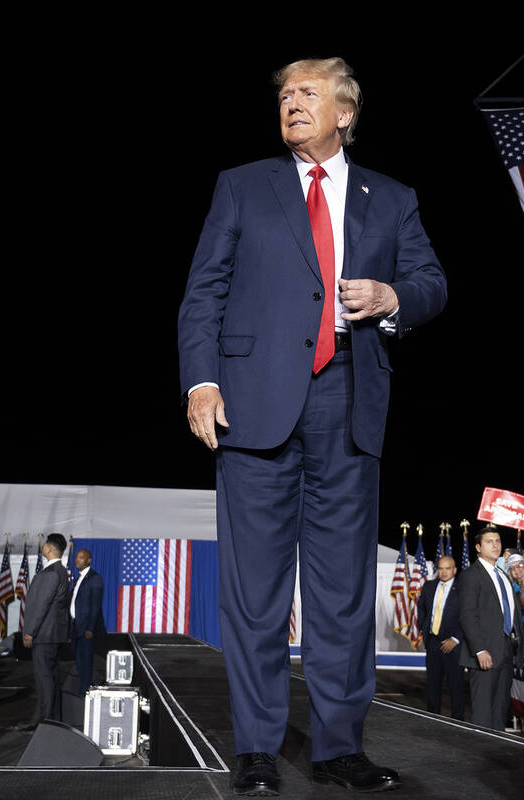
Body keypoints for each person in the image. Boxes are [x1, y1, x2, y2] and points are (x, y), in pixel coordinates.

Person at [177, 55, 446, 798]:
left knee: (342, 596)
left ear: (347, 112)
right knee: (256, 594)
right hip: (254, 408)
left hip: (350, 409)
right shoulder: (243, 186)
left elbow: (432, 284)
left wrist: (394, 294)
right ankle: (259, 750)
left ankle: (336, 749)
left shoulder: (391, 199)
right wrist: (201, 382)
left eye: (308, 93)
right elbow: (203, 293)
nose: (292, 103)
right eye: (285, 94)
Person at [459, 526, 524, 731]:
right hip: (484, 654)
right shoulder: (471, 575)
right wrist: (479, 649)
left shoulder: (503, 576)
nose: (495, 545)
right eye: (489, 541)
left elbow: (514, 614)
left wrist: (522, 647)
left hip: (506, 651)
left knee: (500, 709)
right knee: (483, 711)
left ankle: (496, 754)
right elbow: (467, 616)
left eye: (497, 541)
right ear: (478, 547)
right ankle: (480, 756)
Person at [22, 533, 70, 724]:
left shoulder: (51, 573)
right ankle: (54, 721)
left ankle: (46, 722)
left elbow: (41, 605)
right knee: (51, 678)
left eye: (44, 544)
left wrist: (30, 631)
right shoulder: (60, 571)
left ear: (49, 548)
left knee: (45, 681)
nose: (42, 546)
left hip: (44, 634)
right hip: (53, 634)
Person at [417, 555, 465, 720]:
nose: (444, 572)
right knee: (433, 684)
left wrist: (456, 639)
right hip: (433, 642)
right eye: (441, 568)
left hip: (453, 644)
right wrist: (424, 631)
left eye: (448, 568)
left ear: (455, 570)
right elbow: (422, 609)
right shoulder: (429, 586)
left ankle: (458, 722)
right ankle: (433, 720)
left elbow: (468, 617)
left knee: (456, 685)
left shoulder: (463, 589)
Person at [69, 546, 104, 694]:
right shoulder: (77, 579)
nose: (77, 559)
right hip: (75, 626)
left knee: (86, 661)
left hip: (86, 629)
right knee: (79, 661)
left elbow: (95, 606)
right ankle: (82, 688)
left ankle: (85, 691)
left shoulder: (95, 578)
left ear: (89, 560)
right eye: (77, 557)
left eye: (81, 557)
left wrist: (90, 628)